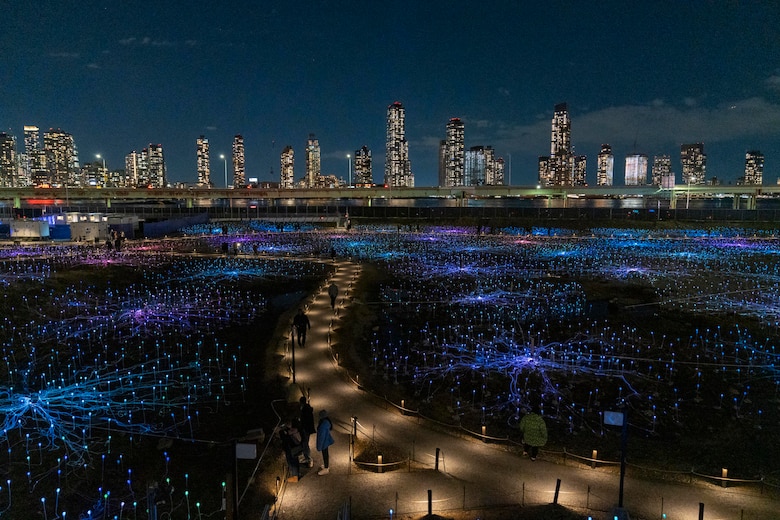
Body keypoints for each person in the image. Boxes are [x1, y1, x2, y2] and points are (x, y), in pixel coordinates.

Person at [316, 409, 334, 475]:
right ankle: (326, 466)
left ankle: (326, 468)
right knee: (325, 454)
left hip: (324, 442)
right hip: (326, 441)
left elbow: (321, 436)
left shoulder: (323, 425)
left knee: (325, 454)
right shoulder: (326, 422)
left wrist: (319, 446)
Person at [299, 396, 315, 467]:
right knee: (305, 443)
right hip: (308, 429)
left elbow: (304, 421)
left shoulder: (305, 410)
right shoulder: (308, 409)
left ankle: (308, 459)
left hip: (306, 429)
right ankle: (306, 457)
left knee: (305, 443)